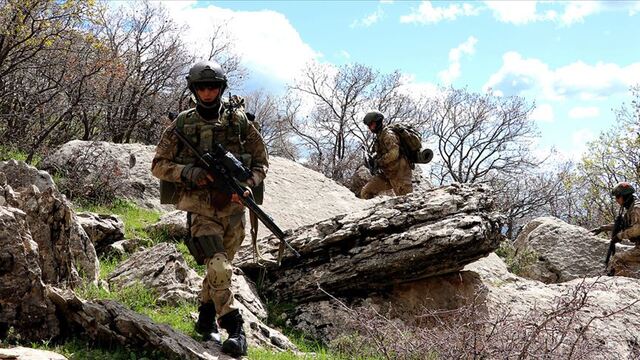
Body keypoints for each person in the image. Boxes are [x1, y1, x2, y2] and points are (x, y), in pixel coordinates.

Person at [151, 60, 268, 357]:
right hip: (201, 208)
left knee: (219, 272)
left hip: (233, 210)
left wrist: (247, 186)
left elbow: (261, 162)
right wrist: (187, 173)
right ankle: (235, 328)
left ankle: (205, 319)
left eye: (212, 86)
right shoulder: (181, 125)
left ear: (221, 88)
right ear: (193, 89)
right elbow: (158, 165)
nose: (207, 92)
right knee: (218, 267)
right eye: (201, 87)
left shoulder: (241, 123)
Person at [360, 110, 413, 199]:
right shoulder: (379, 136)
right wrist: (373, 160)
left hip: (400, 174)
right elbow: (381, 153)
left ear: (378, 122)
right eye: (368, 125)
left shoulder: (388, 135)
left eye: (371, 124)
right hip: (387, 174)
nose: (370, 127)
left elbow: (394, 154)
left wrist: (379, 162)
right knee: (366, 192)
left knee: (406, 201)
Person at [591, 182, 640, 277]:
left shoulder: (636, 208)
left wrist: (620, 236)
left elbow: (637, 229)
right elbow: (622, 225)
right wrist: (602, 228)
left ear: (623, 196)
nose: (616, 200)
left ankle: (621, 285)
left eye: (617, 197)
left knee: (617, 258)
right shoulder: (630, 209)